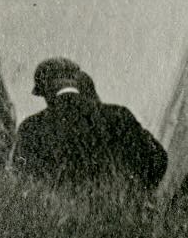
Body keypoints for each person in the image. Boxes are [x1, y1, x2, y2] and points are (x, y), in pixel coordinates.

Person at [10, 56, 169, 193]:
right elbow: (157, 159)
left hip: (59, 223)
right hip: (119, 220)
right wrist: (133, 194)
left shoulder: (31, 128)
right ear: (78, 82)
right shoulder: (119, 115)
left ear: (45, 93)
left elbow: (22, 180)